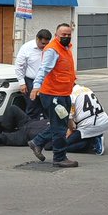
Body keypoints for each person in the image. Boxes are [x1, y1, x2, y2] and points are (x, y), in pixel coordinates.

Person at [28, 23, 78, 168]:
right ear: (56, 36)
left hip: (63, 93)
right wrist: (35, 87)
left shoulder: (66, 48)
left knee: (59, 124)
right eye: (63, 35)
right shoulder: (52, 50)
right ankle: (59, 157)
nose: (67, 37)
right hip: (53, 95)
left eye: (69, 34)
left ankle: (37, 142)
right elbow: (43, 70)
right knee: (60, 128)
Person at [65, 83, 108, 157]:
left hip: (89, 125)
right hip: (104, 120)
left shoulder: (70, 95)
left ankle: (92, 140)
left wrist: (70, 131)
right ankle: (94, 137)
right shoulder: (86, 89)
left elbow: (70, 120)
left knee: (62, 146)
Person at [14, 29, 51, 119]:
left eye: (47, 43)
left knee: (48, 107)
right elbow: (19, 65)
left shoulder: (51, 48)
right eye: (42, 43)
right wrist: (22, 83)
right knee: (32, 107)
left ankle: (47, 127)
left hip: (47, 82)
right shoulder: (26, 48)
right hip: (31, 82)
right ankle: (31, 128)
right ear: (37, 39)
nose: (44, 46)